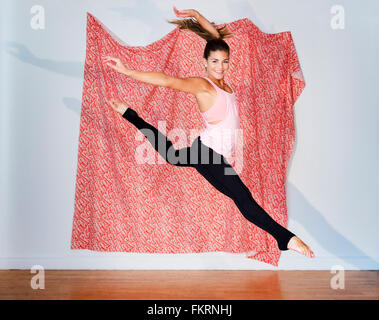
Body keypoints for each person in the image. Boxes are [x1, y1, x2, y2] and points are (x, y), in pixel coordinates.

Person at [103, 6, 315, 258]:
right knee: (243, 198)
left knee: (173, 157)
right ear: (204, 62)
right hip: (208, 153)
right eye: (214, 62)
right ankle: (285, 238)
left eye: (224, 62)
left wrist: (196, 14)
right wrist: (127, 71)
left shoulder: (223, 82)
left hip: (209, 151)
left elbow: (216, 38)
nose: (220, 66)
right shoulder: (203, 85)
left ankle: (129, 114)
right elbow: (167, 80)